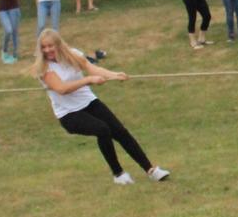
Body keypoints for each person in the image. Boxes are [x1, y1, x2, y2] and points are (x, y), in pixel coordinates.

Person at [35, 29, 170, 185]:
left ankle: (151, 170)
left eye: (50, 46)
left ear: (58, 45)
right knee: (102, 129)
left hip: (89, 102)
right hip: (68, 114)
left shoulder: (73, 55)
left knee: (120, 131)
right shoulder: (44, 68)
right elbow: (61, 89)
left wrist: (114, 75)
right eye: (44, 47)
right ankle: (118, 174)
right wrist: (88, 80)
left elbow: (93, 69)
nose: (47, 50)